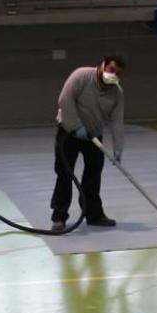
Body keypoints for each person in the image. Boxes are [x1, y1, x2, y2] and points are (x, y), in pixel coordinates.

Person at [50, 55, 125, 232]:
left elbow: (117, 121)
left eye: (118, 73)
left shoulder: (116, 92)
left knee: (93, 175)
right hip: (69, 133)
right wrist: (76, 126)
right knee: (64, 174)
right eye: (111, 69)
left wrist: (118, 149)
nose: (113, 75)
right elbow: (65, 100)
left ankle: (94, 215)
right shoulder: (81, 76)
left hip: (94, 137)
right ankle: (59, 217)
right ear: (102, 65)